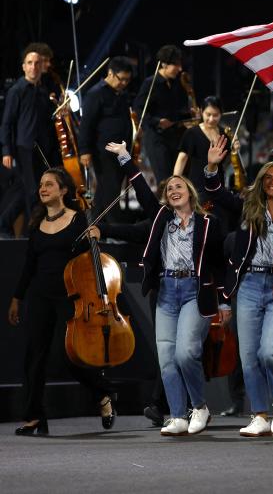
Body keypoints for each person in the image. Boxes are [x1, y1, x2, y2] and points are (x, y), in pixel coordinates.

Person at [90, 141, 228, 436]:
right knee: (166, 358)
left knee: (186, 353)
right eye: (169, 189)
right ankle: (177, 416)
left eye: (179, 186)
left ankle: (199, 406)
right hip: (166, 290)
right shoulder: (161, 218)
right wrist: (125, 157)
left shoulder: (208, 223)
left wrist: (225, 300)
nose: (173, 190)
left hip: (195, 290)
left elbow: (219, 264)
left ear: (190, 192)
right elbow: (141, 191)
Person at [204, 136, 273, 437]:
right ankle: (260, 415)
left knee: (269, 353)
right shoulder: (248, 208)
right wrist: (213, 166)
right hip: (250, 285)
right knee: (249, 356)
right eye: (269, 178)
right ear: (262, 182)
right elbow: (215, 191)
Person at [6, 168, 116, 435]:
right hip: (40, 296)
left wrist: (94, 239)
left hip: (71, 296)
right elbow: (29, 266)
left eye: (49, 185)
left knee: (70, 355)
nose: (42, 189)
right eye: (41, 185)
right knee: (35, 356)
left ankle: (103, 394)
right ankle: (35, 417)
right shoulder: (36, 224)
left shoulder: (79, 220)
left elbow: (92, 260)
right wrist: (17, 297)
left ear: (64, 191)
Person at [1, 43, 61, 217]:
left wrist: (58, 108)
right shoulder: (17, 91)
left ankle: (4, 224)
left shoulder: (43, 91)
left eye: (37, 63)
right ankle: (33, 230)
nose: (34, 67)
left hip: (42, 148)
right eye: (30, 63)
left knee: (29, 189)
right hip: (25, 148)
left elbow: (47, 121)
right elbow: (7, 123)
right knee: (33, 190)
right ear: (24, 67)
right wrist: (6, 151)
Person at [78, 57, 134, 222]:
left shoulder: (121, 95)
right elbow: (86, 124)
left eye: (127, 80)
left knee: (105, 192)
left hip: (121, 151)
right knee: (111, 190)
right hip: (103, 151)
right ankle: (115, 229)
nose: (124, 83)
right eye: (121, 79)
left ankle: (95, 227)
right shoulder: (95, 94)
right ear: (110, 73)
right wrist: (84, 150)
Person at [133, 45, 194, 182]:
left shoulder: (175, 83)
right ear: (164, 64)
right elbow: (138, 109)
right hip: (157, 139)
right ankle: (165, 204)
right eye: (176, 65)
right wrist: (157, 121)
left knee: (178, 177)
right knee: (165, 180)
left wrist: (190, 114)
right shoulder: (150, 82)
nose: (180, 69)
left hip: (174, 138)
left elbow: (177, 110)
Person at [174, 96, 228, 197]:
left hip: (218, 186)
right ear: (202, 111)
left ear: (221, 114)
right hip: (197, 188)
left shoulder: (224, 134)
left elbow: (226, 162)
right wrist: (175, 183)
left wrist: (236, 149)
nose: (211, 119)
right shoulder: (191, 133)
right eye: (208, 114)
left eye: (215, 115)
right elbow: (182, 159)